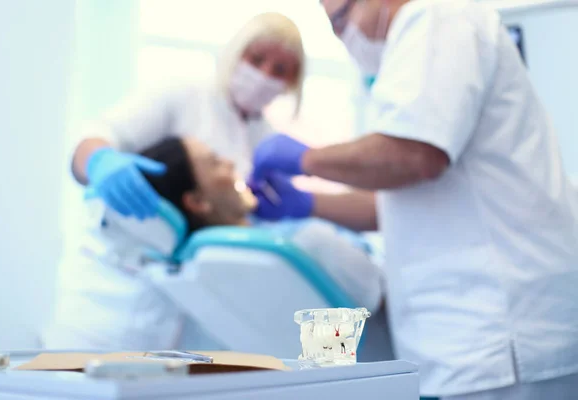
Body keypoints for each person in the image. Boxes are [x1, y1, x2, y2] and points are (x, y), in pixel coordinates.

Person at [249, 0, 578, 399]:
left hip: (501, 335)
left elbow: (412, 156)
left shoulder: (437, 16)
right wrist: (307, 203)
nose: (344, 37)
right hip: (475, 342)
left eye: (340, 20)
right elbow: (395, 202)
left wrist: (306, 160)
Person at [43, 136, 384, 351]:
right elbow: (371, 300)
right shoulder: (304, 241)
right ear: (197, 202)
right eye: (215, 161)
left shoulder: (194, 272)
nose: (231, 163)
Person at [71, 12, 305, 221]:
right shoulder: (182, 93)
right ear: (235, 52)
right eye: (256, 59)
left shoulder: (268, 141)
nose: (264, 75)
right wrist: (99, 160)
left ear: (292, 82)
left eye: (280, 70)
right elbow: (98, 136)